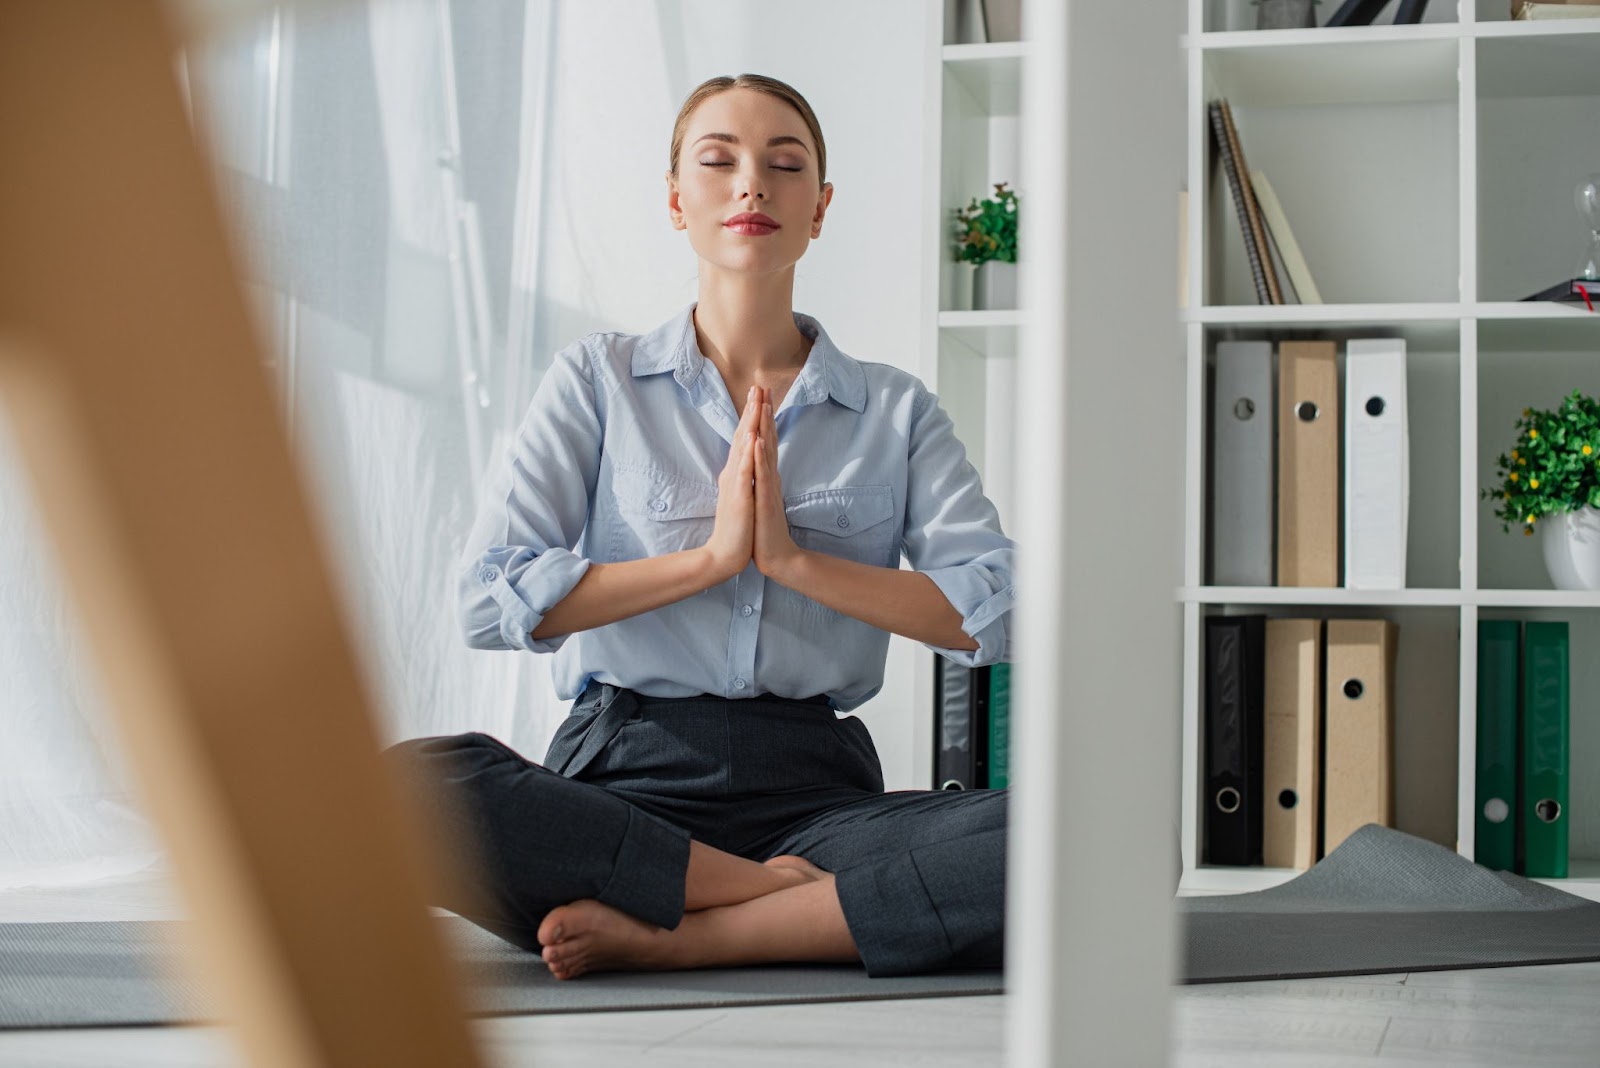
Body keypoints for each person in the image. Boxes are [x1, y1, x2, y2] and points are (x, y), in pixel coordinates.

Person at [383, 73, 1016, 982]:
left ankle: (699, 927)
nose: (751, 184)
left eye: (784, 164)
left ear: (821, 208)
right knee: (407, 789)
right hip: (620, 786)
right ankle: (773, 901)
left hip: (819, 799)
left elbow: (996, 614)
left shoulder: (896, 410)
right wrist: (712, 560)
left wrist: (792, 563)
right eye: (718, 162)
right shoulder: (596, 381)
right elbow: (487, 601)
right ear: (677, 201)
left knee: (1106, 840)